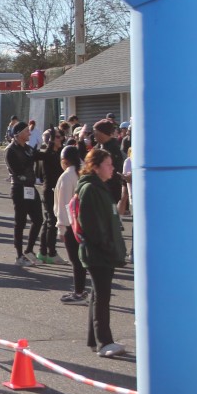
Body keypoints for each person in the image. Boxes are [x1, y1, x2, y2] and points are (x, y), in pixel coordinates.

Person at [77, 148, 127, 357]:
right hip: (98, 252)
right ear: (95, 167)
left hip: (102, 251)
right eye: (108, 164)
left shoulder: (100, 187)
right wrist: (107, 246)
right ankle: (104, 341)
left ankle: (95, 339)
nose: (112, 168)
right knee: (102, 297)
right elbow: (91, 224)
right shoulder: (90, 189)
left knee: (98, 295)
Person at [6, 120, 45, 266]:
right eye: (27, 131)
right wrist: (31, 159)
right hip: (19, 188)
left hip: (30, 187)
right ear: (18, 134)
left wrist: (53, 148)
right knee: (20, 222)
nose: (29, 133)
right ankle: (19, 256)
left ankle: (29, 250)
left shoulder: (28, 148)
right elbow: (17, 169)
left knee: (38, 219)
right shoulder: (11, 150)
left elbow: (40, 156)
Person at [54, 145, 86, 303]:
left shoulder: (67, 177)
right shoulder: (83, 172)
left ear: (64, 161)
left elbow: (64, 204)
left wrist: (61, 227)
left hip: (71, 224)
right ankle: (81, 290)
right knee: (82, 259)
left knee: (75, 260)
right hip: (84, 222)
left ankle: (79, 292)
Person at [36, 127, 64, 263]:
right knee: (51, 221)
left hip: (55, 190)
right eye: (58, 137)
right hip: (49, 191)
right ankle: (50, 253)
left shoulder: (57, 153)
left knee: (49, 221)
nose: (61, 139)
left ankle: (44, 252)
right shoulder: (47, 154)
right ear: (51, 140)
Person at [92, 119, 125, 204]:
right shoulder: (99, 147)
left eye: (96, 132)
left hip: (110, 192)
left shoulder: (113, 149)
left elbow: (115, 173)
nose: (94, 135)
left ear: (104, 133)